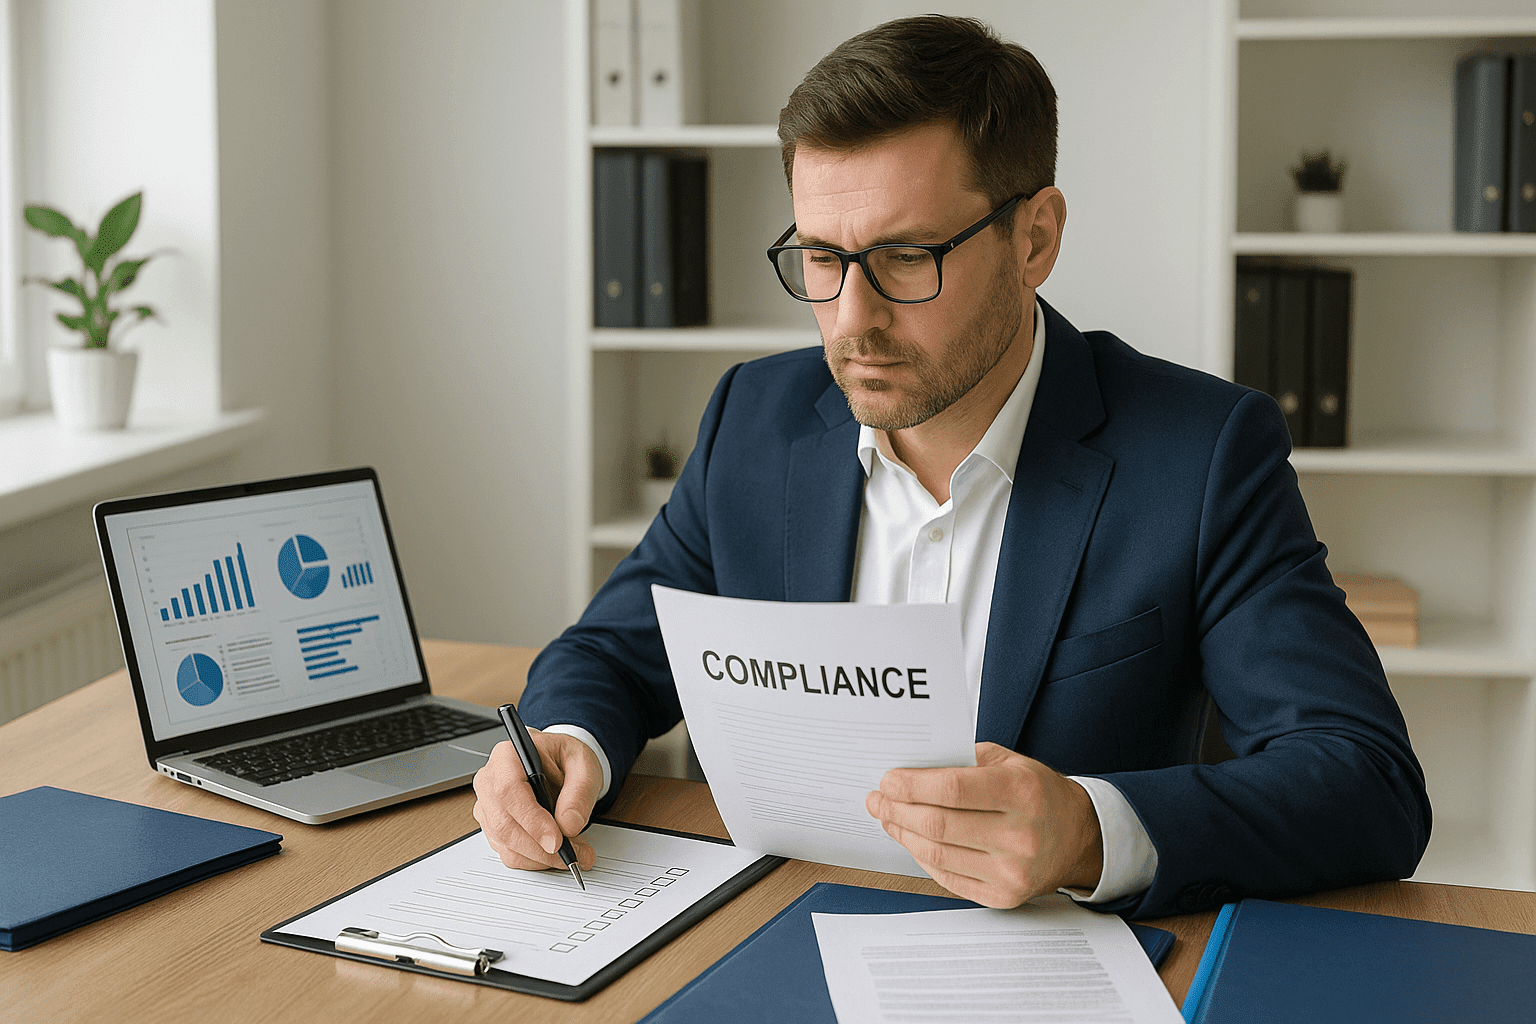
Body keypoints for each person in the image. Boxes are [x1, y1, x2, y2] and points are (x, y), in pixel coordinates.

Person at [474, 14, 1430, 918]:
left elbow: (1365, 778)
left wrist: (1090, 833)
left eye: (904, 257)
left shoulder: (1201, 454)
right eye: (820, 257)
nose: (851, 319)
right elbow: (612, 650)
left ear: (1035, 238)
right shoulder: (753, 420)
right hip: (770, 935)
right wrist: (564, 745)